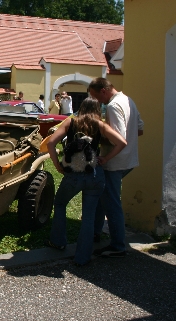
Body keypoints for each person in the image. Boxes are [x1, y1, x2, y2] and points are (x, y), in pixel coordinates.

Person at [46, 97, 127, 266]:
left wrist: (57, 165)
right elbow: (122, 142)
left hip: (74, 173)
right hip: (95, 174)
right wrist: (105, 158)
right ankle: (82, 257)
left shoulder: (71, 122)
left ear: (80, 107)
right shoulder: (99, 124)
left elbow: (51, 143)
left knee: (60, 203)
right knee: (88, 216)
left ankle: (58, 241)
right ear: (98, 109)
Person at [88, 78, 144, 258]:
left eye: (96, 96)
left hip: (114, 162)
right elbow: (140, 130)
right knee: (103, 198)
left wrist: (99, 134)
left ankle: (118, 245)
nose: (97, 101)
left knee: (112, 203)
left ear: (103, 91)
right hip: (128, 160)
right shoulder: (128, 100)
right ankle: (95, 233)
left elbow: (117, 139)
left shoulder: (112, 106)